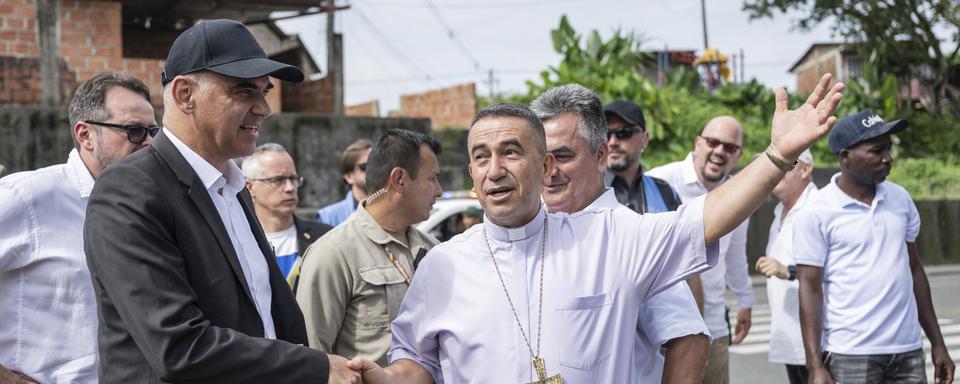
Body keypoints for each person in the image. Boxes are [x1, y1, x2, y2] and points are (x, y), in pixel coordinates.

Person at [349, 74, 845, 383]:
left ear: (543, 166)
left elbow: (707, 219)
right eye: (481, 157)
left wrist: (778, 155)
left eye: (511, 153)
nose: (494, 169)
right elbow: (418, 364)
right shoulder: (441, 265)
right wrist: (380, 378)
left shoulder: (612, 237)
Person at [82, 19, 358, 383]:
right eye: (244, 91)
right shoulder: (131, 189)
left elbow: (270, 318)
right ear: (184, 94)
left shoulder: (233, 188)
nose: (264, 107)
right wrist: (316, 367)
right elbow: (179, 347)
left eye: (265, 90)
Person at [532, 84, 710, 383]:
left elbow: (689, 340)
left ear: (600, 156)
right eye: (541, 158)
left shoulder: (632, 237)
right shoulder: (532, 230)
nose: (550, 171)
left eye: (563, 156)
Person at [0, 71, 157, 384]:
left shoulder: (148, 209)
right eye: (135, 131)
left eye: (154, 131)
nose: (150, 143)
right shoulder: (27, 197)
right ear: (85, 135)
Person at [795, 110, 955, 384]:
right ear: (845, 157)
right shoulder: (817, 211)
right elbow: (809, 288)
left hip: (907, 351)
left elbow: (914, 271)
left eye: (889, 149)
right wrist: (814, 366)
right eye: (876, 151)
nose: (887, 158)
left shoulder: (900, 199)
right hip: (851, 354)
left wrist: (938, 343)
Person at [297, 129, 442, 366]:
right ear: (400, 179)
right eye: (432, 178)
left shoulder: (433, 249)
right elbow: (312, 358)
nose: (439, 190)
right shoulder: (333, 253)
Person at [647, 115, 754, 384]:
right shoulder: (659, 182)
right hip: (662, 329)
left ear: (739, 155)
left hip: (713, 327)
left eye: (729, 147)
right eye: (713, 142)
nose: (719, 151)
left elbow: (735, 255)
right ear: (698, 143)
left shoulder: (738, 193)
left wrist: (745, 301)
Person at [604, 99, 705, 312]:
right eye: (606, 134)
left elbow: (688, 263)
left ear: (644, 139)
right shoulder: (585, 194)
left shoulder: (665, 192)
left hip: (663, 321)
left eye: (623, 133)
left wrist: (698, 323)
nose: (612, 141)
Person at [754, 149, 817, 384]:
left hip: (818, 340)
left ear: (806, 169)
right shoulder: (779, 210)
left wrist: (788, 271)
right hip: (792, 338)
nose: (778, 171)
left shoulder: (818, 208)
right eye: (775, 164)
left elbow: (837, 268)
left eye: (788, 165)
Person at [241, 143, 332, 290]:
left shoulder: (325, 238)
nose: (290, 188)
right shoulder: (238, 242)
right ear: (250, 188)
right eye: (278, 180)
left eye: (293, 178)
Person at [316, 139, 373, 226]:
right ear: (348, 177)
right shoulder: (327, 217)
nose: (372, 170)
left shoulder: (393, 211)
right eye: (364, 166)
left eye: (376, 165)